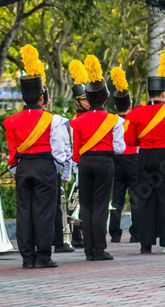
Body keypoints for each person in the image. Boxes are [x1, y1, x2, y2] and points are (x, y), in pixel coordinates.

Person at [4, 45, 69, 268]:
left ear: (23, 97)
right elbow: (60, 150)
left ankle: (27, 258)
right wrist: (57, 169)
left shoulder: (11, 121)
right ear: (42, 97)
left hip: (23, 167)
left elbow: (12, 151)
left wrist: (18, 168)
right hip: (44, 166)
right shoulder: (54, 120)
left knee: (24, 212)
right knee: (44, 212)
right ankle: (43, 257)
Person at [124, 51, 165, 254]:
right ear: (164, 94)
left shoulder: (135, 113)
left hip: (144, 156)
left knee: (146, 200)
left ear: (149, 94)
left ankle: (146, 245)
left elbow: (128, 140)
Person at [70, 55, 125, 261]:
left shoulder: (77, 121)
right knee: (101, 207)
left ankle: (88, 250)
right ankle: (99, 250)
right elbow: (119, 148)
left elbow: (75, 150)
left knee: (87, 207)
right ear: (104, 99)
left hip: (84, 163)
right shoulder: (114, 120)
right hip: (104, 163)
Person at [41, 65, 74, 254]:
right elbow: (64, 149)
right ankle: (58, 242)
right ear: (45, 101)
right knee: (53, 207)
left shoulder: (19, 118)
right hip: (50, 167)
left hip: (27, 168)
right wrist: (64, 170)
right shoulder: (55, 120)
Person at [109, 66, 140, 243]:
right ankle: (136, 233)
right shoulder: (135, 120)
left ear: (114, 106)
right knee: (136, 196)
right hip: (134, 160)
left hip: (117, 160)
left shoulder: (111, 121)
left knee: (117, 199)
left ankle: (114, 233)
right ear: (130, 106)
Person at [68, 59, 91, 248]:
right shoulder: (75, 119)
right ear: (77, 101)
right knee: (80, 199)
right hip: (80, 162)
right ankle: (77, 234)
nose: (88, 102)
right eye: (84, 99)